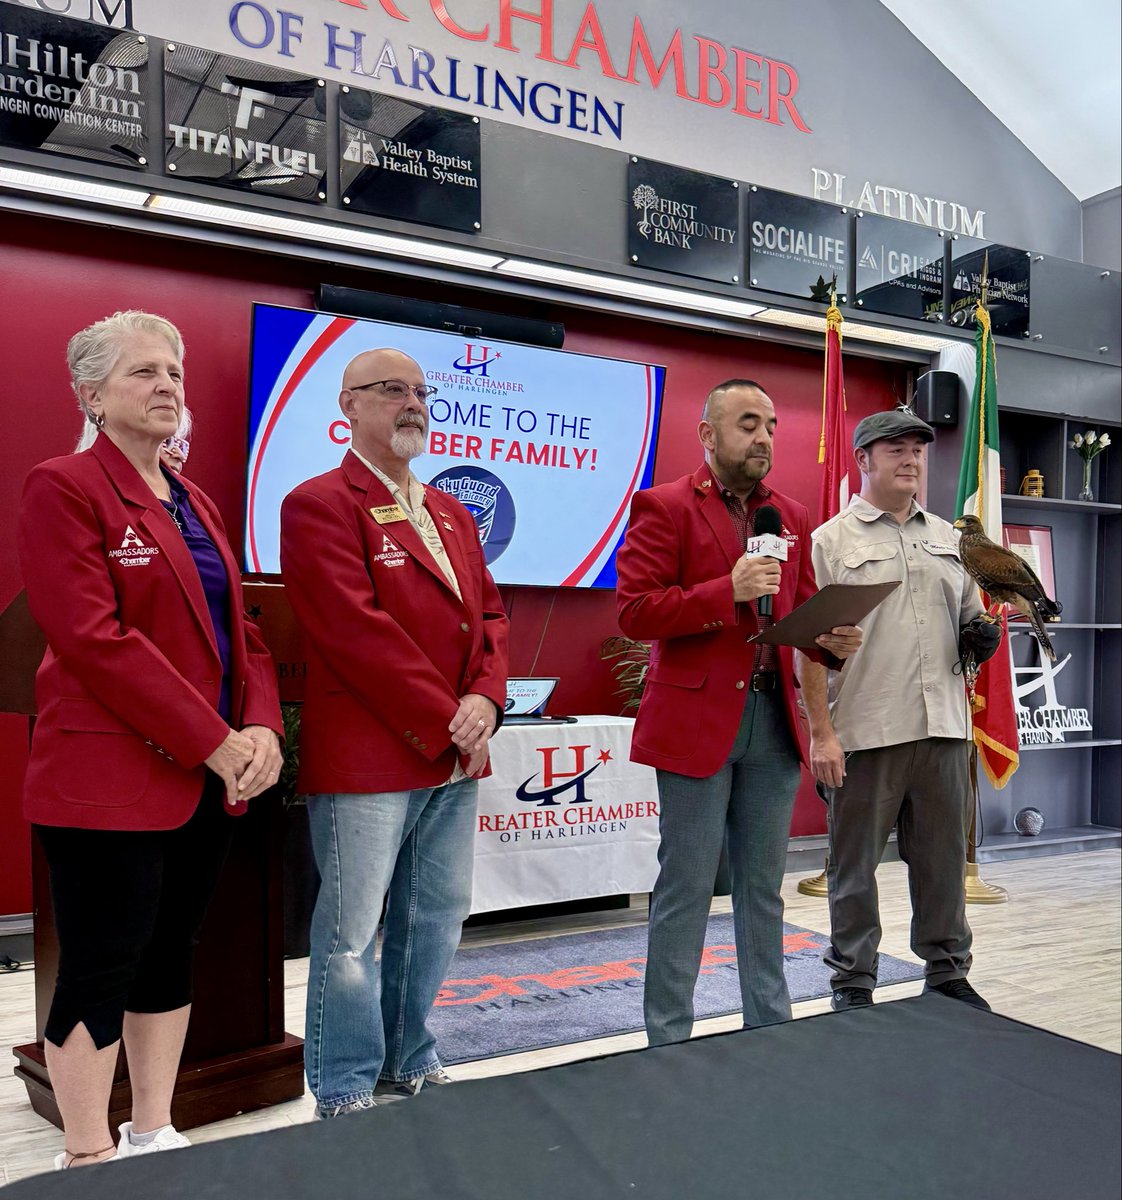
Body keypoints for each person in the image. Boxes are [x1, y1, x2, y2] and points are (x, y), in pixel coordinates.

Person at [17, 311, 283, 1170]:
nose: (167, 385)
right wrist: (215, 740)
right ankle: (88, 1157)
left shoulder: (194, 498)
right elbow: (95, 639)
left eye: (173, 372)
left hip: (207, 775)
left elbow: (242, 631)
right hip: (106, 776)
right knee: (101, 964)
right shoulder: (63, 486)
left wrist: (261, 726)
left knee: (170, 953)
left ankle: (153, 1129)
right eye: (143, 372)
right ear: (91, 395)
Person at [279, 347, 509, 1117]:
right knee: (351, 933)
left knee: (434, 916)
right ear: (347, 406)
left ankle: (407, 1056)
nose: (412, 403)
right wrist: (451, 716)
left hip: (457, 754)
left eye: (420, 391)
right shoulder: (317, 503)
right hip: (370, 754)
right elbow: (354, 631)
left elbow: (491, 617)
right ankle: (345, 1082)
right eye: (390, 390)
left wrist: (487, 699)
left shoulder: (450, 512)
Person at [615, 378, 863, 1046]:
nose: (764, 437)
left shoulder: (789, 515)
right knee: (687, 886)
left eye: (771, 426)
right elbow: (635, 611)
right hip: (695, 725)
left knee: (763, 889)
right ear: (708, 434)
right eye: (748, 423)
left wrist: (831, 642)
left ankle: (770, 1031)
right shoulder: (664, 506)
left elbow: (799, 616)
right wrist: (723, 591)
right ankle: (669, 1039)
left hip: (772, 726)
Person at [797, 408, 999, 1013]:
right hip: (867, 728)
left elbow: (969, 620)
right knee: (853, 867)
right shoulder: (830, 542)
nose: (911, 459)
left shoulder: (950, 539)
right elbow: (808, 649)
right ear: (863, 459)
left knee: (942, 863)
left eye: (917, 449)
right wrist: (822, 734)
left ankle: (947, 972)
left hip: (944, 727)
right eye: (896, 449)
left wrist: (980, 636)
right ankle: (853, 979)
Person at [77, 401, 193, 473]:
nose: (179, 455)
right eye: (167, 442)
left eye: (181, 446)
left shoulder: (191, 500)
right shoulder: (80, 490)